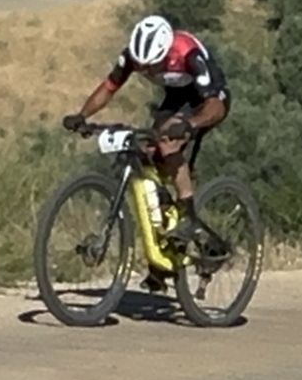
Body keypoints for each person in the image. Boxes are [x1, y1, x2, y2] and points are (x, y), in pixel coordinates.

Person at [63, 15, 229, 292]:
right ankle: (164, 242)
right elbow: (108, 88)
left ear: (165, 51)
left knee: (168, 142)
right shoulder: (133, 55)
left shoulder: (188, 53)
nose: (146, 68)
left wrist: (189, 124)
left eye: (152, 64)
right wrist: (82, 115)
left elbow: (216, 107)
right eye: (143, 65)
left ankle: (187, 216)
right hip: (176, 98)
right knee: (146, 150)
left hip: (208, 100)